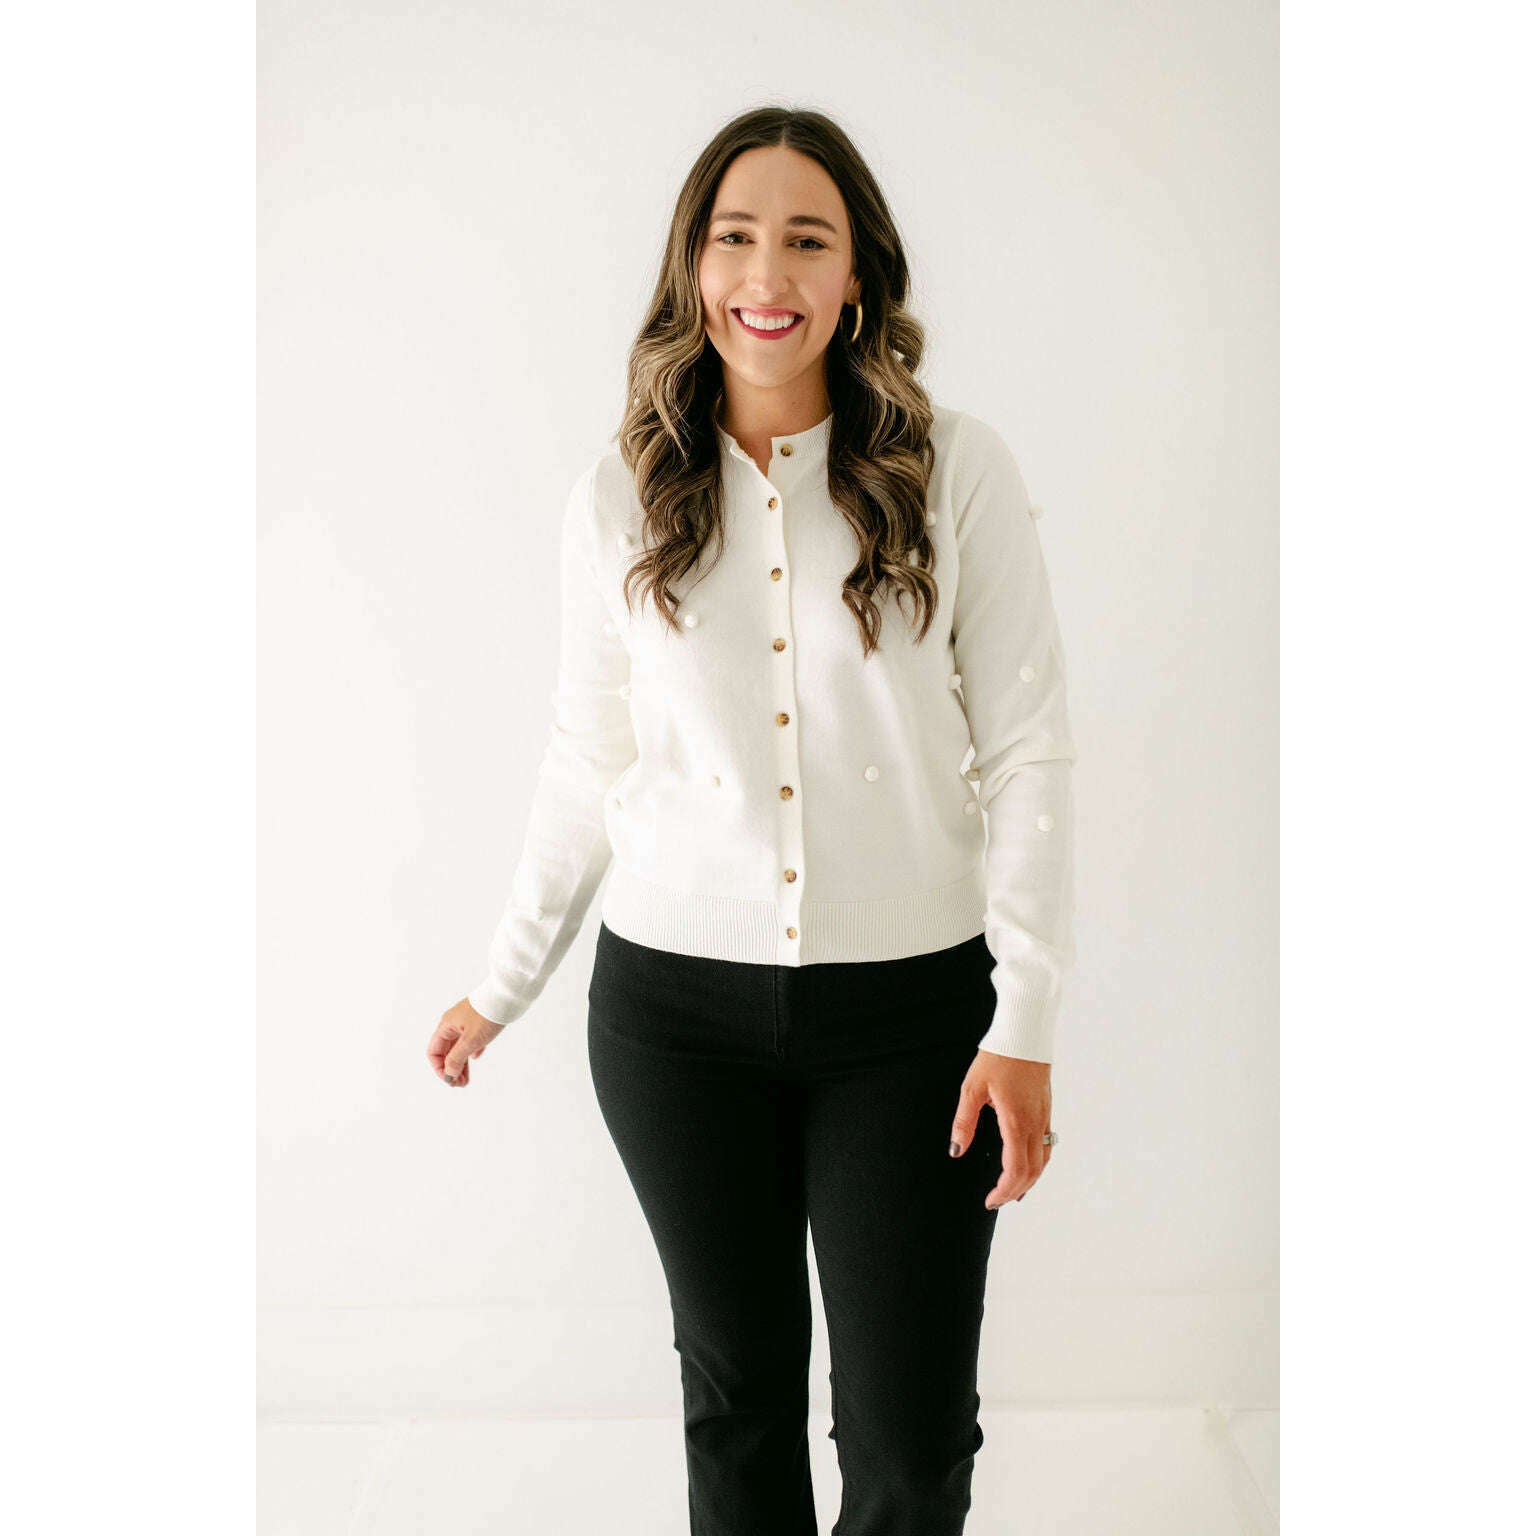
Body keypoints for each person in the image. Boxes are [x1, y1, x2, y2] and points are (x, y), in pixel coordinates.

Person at [426, 105, 1076, 1536]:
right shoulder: (620, 495)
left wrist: (1024, 1014)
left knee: (910, 1441)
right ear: (692, 265)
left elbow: (1029, 748)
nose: (765, 275)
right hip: (673, 1020)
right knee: (738, 1406)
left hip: (913, 1021)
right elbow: (586, 758)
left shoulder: (956, 472)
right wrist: (501, 983)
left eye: (806, 239)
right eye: (734, 237)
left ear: (858, 276)